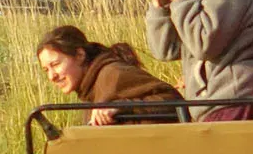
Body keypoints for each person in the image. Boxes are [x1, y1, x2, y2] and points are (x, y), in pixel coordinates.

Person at [36, 25, 184, 125]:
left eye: (55, 65)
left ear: (80, 55)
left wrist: (122, 107)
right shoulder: (89, 87)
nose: (51, 76)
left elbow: (174, 100)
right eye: (46, 70)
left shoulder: (112, 74)